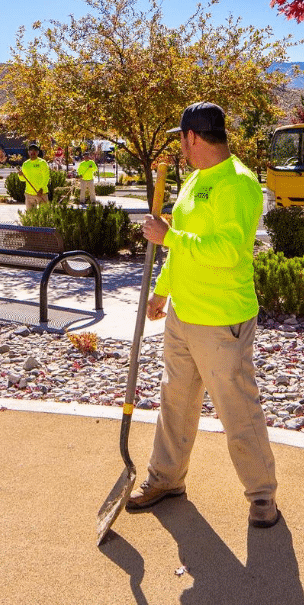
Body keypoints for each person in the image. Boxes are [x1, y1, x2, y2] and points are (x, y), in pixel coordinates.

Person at [128, 102, 280, 529]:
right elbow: (182, 248)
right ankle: (166, 479)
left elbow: (230, 251)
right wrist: (163, 291)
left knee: (237, 408)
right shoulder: (196, 180)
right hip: (183, 313)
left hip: (221, 318)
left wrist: (169, 236)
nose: (180, 146)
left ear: (192, 137)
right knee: (175, 400)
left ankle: (262, 494)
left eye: (181, 138)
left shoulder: (238, 184)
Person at [21, 143, 50, 210]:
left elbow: (46, 177)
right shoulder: (25, 164)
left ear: (37, 152)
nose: (32, 152)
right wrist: (20, 175)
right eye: (31, 150)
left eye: (35, 150)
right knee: (30, 216)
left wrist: (42, 188)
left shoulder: (42, 163)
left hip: (41, 193)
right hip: (29, 194)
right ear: (28, 152)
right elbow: (22, 179)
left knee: (44, 214)